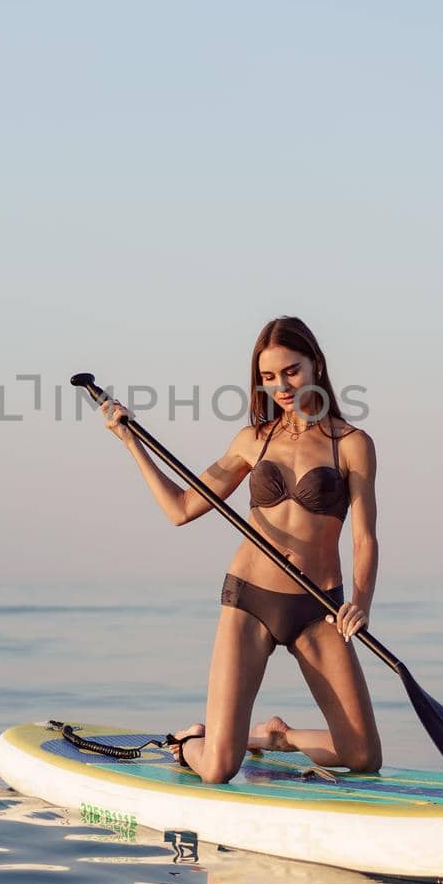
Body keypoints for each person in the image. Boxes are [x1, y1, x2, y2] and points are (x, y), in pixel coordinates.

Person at [98, 315, 382, 784]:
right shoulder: (253, 440)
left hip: (318, 608)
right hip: (249, 599)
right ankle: (190, 741)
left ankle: (275, 737)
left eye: (290, 371)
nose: (281, 386)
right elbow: (182, 508)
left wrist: (361, 603)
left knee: (363, 755)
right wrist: (132, 443)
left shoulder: (352, 445)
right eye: (268, 378)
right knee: (217, 769)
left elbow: (364, 537)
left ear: (315, 365)